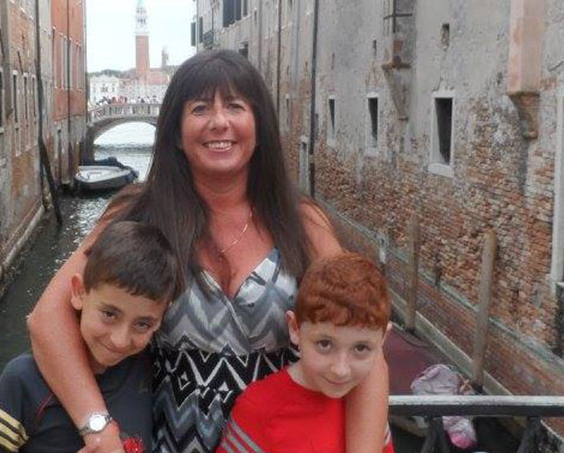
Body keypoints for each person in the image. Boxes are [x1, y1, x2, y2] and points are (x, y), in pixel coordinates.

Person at [27, 49, 389, 453]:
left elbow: (365, 342)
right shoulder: (138, 214)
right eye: (200, 108)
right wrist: (98, 427)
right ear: (176, 133)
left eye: (235, 106)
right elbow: (47, 319)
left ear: (259, 124)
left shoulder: (301, 222)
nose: (219, 122)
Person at [0, 221, 182, 453]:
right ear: (79, 292)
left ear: (161, 317)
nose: (120, 340)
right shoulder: (22, 381)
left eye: (142, 324)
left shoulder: (146, 368)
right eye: (109, 314)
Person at [216, 253, 394, 453]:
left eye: (361, 348)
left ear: (383, 339)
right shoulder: (259, 410)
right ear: (295, 328)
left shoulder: (368, 404)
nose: (340, 370)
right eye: (325, 344)